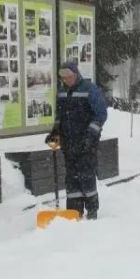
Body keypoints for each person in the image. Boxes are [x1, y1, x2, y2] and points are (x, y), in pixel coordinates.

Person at [46, 60, 107, 219]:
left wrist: (91, 135)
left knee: (86, 174)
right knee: (72, 177)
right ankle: (74, 210)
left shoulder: (90, 90)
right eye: (63, 77)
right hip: (68, 141)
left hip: (87, 140)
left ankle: (92, 210)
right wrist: (55, 131)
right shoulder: (61, 92)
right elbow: (59, 115)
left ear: (76, 74)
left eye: (69, 76)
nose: (66, 80)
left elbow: (100, 115)